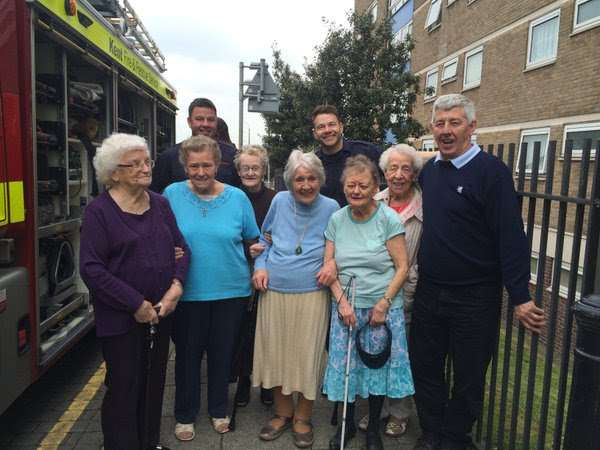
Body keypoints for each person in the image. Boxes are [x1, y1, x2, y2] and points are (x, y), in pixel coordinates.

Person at [411, 94, 545, 450]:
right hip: (429, 290)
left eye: (454, 122)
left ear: (472, 127)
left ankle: (455, 438)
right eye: (439, 124)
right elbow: (397, 160)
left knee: (469, 378)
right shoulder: (431, 171)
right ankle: (432, 434)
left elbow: (511, 236)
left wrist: (520, 296)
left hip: (475, 297)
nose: (446, 130)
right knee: (425, 368)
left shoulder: (492, 173)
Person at [79, 133, 190, 450]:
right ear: (114, 172)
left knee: (154, 383)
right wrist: (135, 304)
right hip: (121, 318)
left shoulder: (160, 203)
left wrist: (176, 287)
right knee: (124, 386)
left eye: (147, 161)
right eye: (136, 163)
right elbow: (92, 269)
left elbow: (182, 248)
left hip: (160, 313)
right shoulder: (99, 212)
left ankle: (148, 442)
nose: (146, 168)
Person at [162, 135, 260, 440]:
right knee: (188, 355)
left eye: (207, 165)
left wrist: (261, 260)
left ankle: (219, 410)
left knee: (222, 355)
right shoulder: (171, 194)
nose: (201, 171)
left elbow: (253, 240)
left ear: (218, 164)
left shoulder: (237, 198)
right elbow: (159, 236)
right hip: (187, 291)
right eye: (194, 166)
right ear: (185, 166)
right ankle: (185, 415)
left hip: (231, 291)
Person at [322, 155, 414, 450]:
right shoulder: (337, 219)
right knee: (347, 368)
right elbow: (329, 268)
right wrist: (341, 302)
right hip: (347, 308)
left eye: (363, 185)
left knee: (377, 370)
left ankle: (373, 428)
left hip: (381, 309)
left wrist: (384, 303)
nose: (356, 191)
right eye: (351, 185)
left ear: (376, 186)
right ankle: (347, 425)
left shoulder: (388, 219)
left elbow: (403, 266)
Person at [252, 150, 339, 448]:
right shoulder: (279, 201)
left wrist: (332, 264)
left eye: (311, 178)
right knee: (277, 353)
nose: (305, 185)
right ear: (290, 181)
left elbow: (340, 247)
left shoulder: (331, 207)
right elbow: (264, 240)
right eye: (299, 179)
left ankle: (303, 417)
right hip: (274, 290)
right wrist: (260, 267)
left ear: (320, 180)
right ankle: (282, 413)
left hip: (312, 293)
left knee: (308, 355)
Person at [356, 144, 423, 437]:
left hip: (407, 291)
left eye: (405, 168)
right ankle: (376, 410)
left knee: (400, 355)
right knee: (375, 350)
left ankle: (399, 412)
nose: (398, 175)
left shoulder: (425, 207)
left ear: (415, 174)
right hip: (373, 290)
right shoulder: (374, 201)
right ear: (383, 173)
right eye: (392, 168)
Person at [231, 145, 276, 407]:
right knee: (243, 330)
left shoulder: (275, 198)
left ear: (263, 169)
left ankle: (268, 383)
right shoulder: (230, 196)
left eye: (255, 167)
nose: (250, 172)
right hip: (238, 269)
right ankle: (245, 380)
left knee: (266, 329)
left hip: (268, 271)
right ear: (238, 171)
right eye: (245, 168)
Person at [150, 98, 240, 192]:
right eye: (199, 119)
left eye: (210, 120)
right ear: (189, 121)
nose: (205, 124)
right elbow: (155, 194)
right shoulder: (169, 157)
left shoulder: (232, 155)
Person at [312, 104, 382, 207]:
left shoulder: (367, 152)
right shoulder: (312, 165)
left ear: (341, 127)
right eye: (321, 127)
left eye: (331, 124)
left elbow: (395, 172)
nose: (327, 130)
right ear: (315, 133)